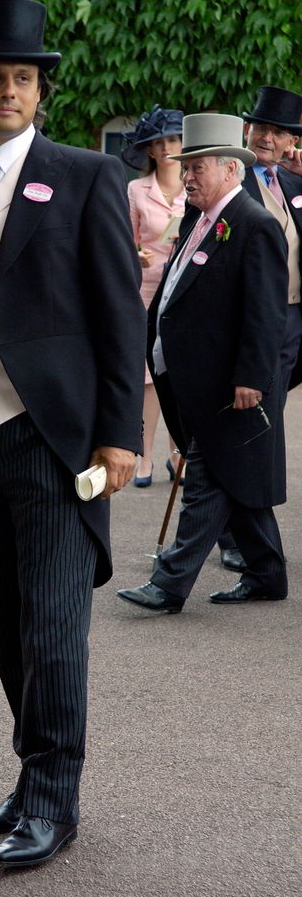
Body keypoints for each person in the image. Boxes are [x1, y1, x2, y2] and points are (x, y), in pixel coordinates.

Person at [0, 0, 146, 868]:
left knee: (52, 625)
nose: (6, 90)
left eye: (20, 78)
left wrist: (118, 433)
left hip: (55, 436)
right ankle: (29, 778)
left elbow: (118, 314)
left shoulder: (85, 176)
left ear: (39, 91)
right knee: (9, 620)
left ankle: (54, 801)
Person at [117, 113, 289, 613]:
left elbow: (265, 311)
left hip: (228, 383)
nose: (187, 176)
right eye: (185, 166)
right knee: (233, 477)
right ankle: (267, 573)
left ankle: (169, 585)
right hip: (191, 378)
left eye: (198, 167)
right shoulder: (198, 217)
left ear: (231, 170)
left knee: (207, 480)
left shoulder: (255, 224)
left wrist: (251, 377)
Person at [185, 85, 302, 577]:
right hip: (245, 326)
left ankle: (256, 554)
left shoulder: (292, 185)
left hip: (291, 323)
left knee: (256, 433)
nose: (269, 139)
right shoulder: (226, 181)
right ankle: (238, 545)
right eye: (262, 129)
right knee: (244, 430)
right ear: (246, 130)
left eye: (280, 132)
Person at [121, 106, 186, 486]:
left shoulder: (195, 185)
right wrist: (136, 254)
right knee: (147, 376)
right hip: (145, 289)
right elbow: (125, 241)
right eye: (159, 142)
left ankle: (179, 455)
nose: (166, 148)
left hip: (184, 289)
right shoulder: (136, 190)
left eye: (174, 140)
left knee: (180, 372)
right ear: (149, 149)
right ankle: (143, 457)